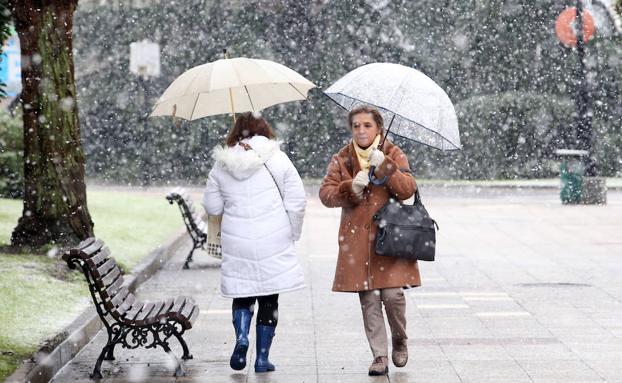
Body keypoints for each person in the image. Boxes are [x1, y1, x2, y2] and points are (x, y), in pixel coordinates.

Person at [319, 106, 420, 376]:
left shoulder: (392, 152)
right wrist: (349, 188)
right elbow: (326, 194)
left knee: (393, 295)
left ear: (378, 128)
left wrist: (385, 166)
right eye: (356, 126)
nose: (361, 131)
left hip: (390, 237)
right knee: (369, 299)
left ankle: (399, 338)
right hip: (359, 240)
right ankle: (379, 356)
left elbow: (408, 189)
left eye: (367, 125)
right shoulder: (342, 157)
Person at [202, 112, 306, 373]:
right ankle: (261, 358)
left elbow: (212, 206)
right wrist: (292, 232)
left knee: (243, 294)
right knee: (269, 299)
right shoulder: (278, 158)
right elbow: (297, 202)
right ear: (264, 129)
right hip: (273, 238)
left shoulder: (221, 164)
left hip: (238, 240)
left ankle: (241, 338)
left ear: (236, 131)